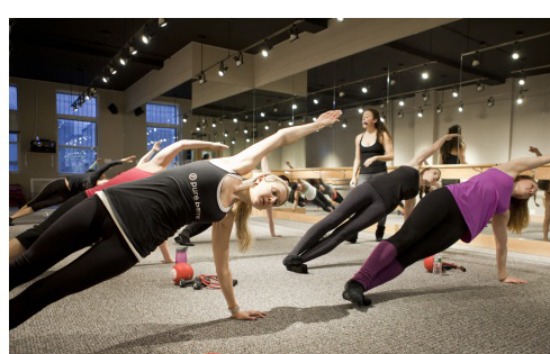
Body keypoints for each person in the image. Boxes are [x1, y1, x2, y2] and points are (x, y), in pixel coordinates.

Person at [9, 110, 343, 330]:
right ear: (261, 179)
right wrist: (318, 125)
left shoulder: (223, 216)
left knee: (50, 290)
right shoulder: (237, 163)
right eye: (273, 191)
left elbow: (223, 266)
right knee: (29, 262)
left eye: (277, 201)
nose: (272, 199)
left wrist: (234, 309)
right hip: (108, 205)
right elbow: (283, 136)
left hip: (130, 245)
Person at [341, 147, 550, 306]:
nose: (531, 191)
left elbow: (502, 244)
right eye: (531, 186)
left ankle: (360, 288)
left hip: (457, 227)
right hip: (447, 200)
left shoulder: (503, 208)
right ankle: (356, 280)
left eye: (530, 194)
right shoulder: (505, 171)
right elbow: (541, 159)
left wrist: (502, 275)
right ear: (524, 177)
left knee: (410, 256)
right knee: (405, 238)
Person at [9, 140, 227, 263]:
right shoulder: (152, 170)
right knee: (38, 236)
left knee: (47, 243)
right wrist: (212, 145)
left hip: (101, 209)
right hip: (87, 200)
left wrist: (169, 258)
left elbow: (160, 228)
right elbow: (181, 144)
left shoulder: (149, 172)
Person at [282, 134, 456, 274]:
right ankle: (292, 254)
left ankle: (298, 260)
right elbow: (430, 149)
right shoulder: (413, 166)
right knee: (334, 218)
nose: (435, 177)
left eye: (437, 178)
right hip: (370, 188)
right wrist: (444, 138)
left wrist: (406, 236)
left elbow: (408, 213)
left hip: (381, 207)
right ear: (427, 169)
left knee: (344, 233)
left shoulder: (414, 192)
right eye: (435, 173)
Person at [9, 155, 137, 225]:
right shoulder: (92, 175)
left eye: (106, 182)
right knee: (34, 201)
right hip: (59, 184)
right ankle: (12, 218)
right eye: (104, 180)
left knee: (40, 206)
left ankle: (12, 219)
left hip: (65, 194)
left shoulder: (94, 188)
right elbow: (109, 164)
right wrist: (124, 160)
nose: (105, 181)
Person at [349, 108, 394, 242]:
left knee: (382, 203)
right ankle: (354, 231)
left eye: (367, 116)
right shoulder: (359, 138)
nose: (364, 118)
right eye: (363, 117)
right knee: (358, 203)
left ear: (374, 120)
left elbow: (391, 155)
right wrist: (353, 176)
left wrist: (376, 158)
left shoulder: (382, 135)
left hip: (380, 174)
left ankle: (380, 227)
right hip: (364, 174)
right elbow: (357, 159)